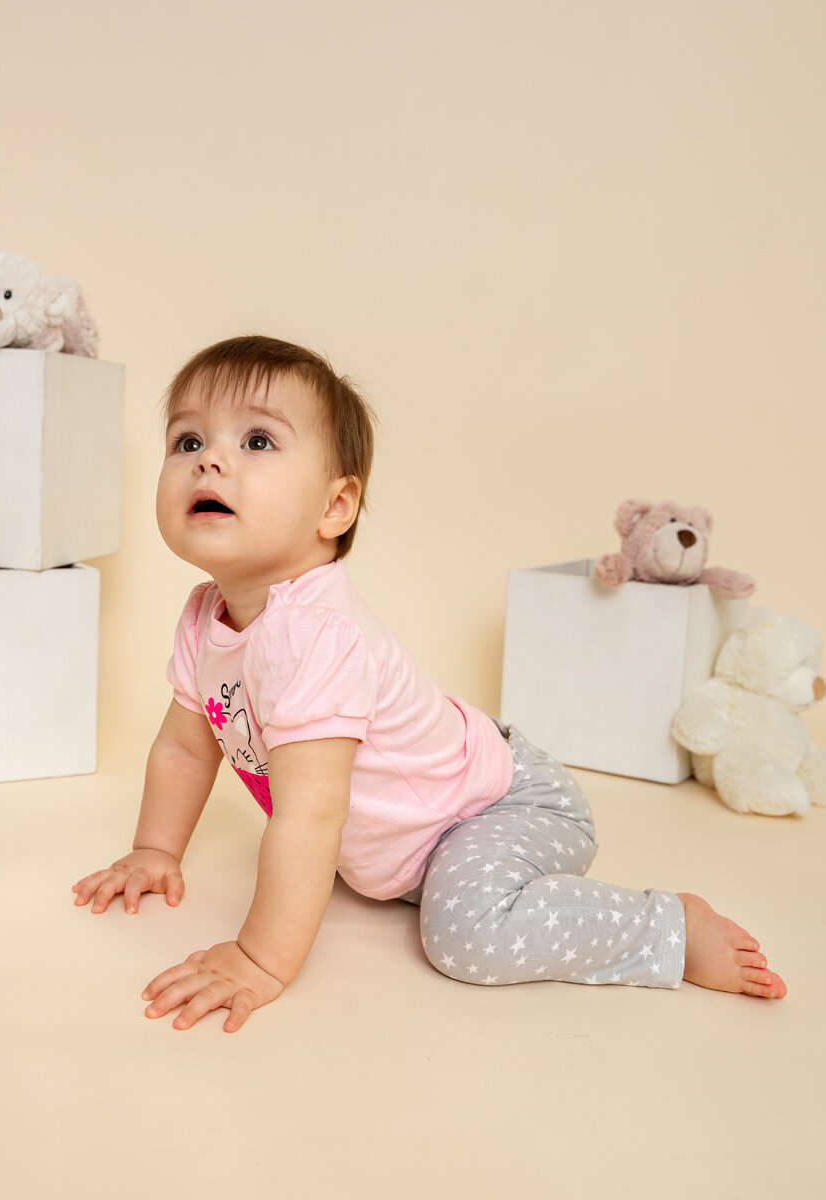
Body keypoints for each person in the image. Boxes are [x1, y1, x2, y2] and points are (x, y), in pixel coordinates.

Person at [73, 335, 787, 1033]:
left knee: (466, 936)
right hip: (428, 827)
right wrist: (155, 851)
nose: (210, 460)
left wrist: (260, 959)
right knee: (394, 887)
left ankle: (669, 928)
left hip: (496, 807)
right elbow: (185, 748)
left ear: (335, 507)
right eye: (187, 441)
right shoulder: (206, 615)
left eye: (257, 441)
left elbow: (309, 818)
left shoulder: (314, 633)